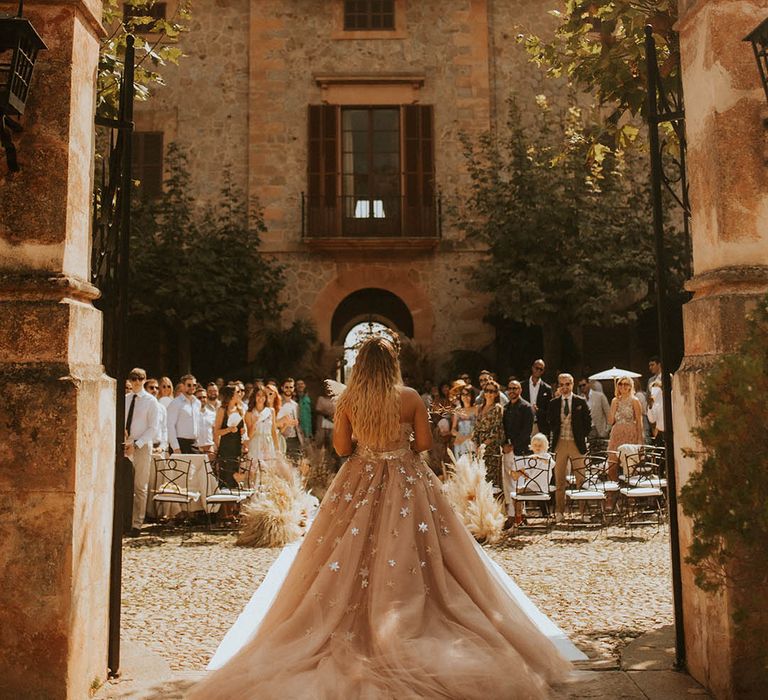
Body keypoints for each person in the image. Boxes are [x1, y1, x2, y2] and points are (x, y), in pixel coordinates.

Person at [188, 336, 570, 699]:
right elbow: (423, 444)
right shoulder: (409, 398)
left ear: (359, 366)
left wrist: (365, 441)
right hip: (406, 479)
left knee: (345, 552)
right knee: (426, 550)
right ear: (393, 364)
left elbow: (340, 447)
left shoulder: (350, 400)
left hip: (359, 479)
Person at [546, 373, 592, 522]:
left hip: (576, 443)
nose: (565, 387)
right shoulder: (554, 403)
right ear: (559, 386)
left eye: (568, 384)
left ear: (572, 385)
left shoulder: (580, 401)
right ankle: (559, 511)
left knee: (581, 479)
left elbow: (588, 422)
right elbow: (550, 422)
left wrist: (580, 435)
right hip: (560, 443)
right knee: (559, 480)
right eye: (562, 384)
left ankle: (584, 512)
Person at [124, 367, 160, 537]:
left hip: (142, 445)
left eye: (140, 379)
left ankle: (137, 524)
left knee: (140, 486)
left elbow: (153, 428)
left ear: (145, 380)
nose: (137, 382)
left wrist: (137, 444)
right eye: (134, 379)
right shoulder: (125, 399)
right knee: (124, 485)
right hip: (125, 444)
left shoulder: (151, 402)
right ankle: (123, 520)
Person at [501, 380, 534, 526]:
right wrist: (504, 445)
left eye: (515, 388)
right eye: (510, 388)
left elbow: (527, 431)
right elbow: (502, 430)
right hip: (507, 451)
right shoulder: (506, 407)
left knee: (519, 483)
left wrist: (513, 445)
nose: (512, 390)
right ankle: (511, 515)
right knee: (508, 484)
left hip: (520, 451)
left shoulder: (526, 407)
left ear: (520, 390)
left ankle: (521, 515)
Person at [607, 377, 644, 490]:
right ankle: (613, 493)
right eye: (620, 384)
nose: (623, 386)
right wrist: (614, 407)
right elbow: (610, 421)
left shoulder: (635, 401)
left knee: (629, 465)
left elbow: (639, 421)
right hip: (617, 433)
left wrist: (639, 439)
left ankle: (630, 494)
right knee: (612, 464)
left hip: (630, 432)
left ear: (630, 386)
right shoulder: (615, 401)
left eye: (626, 384)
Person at [472, 379, 506, 491]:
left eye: (492, 391)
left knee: (491, 481)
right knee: (479, 479)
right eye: (487, 390)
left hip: (491, 448)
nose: (489, 393)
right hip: (479, 447)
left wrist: (484, 445)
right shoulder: (480, 408)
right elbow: (476, 428)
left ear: (496, 393)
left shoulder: (498, 408)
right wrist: (476, 444)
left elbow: (497, 430)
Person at [213, 385, 248, 489]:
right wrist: (229, 429)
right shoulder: (222, 410)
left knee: (235, 481)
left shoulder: (240, 409)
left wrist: (243, 431)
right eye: (237, 392)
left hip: (237, 449)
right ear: (231, 395)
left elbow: (244, 429)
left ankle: (234, 504)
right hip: (226, 449)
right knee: (226, 480)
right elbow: (216, 432)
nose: (240, 394)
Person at [166, 374, 201, 454]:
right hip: (180, 444)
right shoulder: (175, 403)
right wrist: (175, 447)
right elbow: (170, 425)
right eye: (189, 385)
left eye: (194, 385)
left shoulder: (197, 403)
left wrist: (198, 442)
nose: (192, 387)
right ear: (182, 386)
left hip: (194, 444)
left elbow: (197, 424)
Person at [521, 359, 552, 438]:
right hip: (524, 425)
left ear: (543, 371)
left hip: (539, 426)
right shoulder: (522, 386)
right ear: (532, 368)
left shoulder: (547, 389)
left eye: (541, 369)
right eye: (536, 368)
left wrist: (538, 410)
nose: (538, 370)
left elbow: (549, 410)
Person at [277, 377, 303, 462]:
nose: (289, 389)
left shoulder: (295, 405)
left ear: (294, 388)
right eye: (286, 387)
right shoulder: (278, 403)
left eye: (291, 387)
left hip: (294, 439)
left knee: (295, 465)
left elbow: (298, 422)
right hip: (281, 438)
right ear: (282, 388)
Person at [450, 385, 478, 459]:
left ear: (472, 396)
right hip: (459, 442)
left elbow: (478, 428)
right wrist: (458, 435)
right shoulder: (458, 410)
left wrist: (465, 438)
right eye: (463, 394)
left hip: (472, 441)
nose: (465, 397)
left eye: (468, 394)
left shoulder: (476, 409)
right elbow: (453, 430)